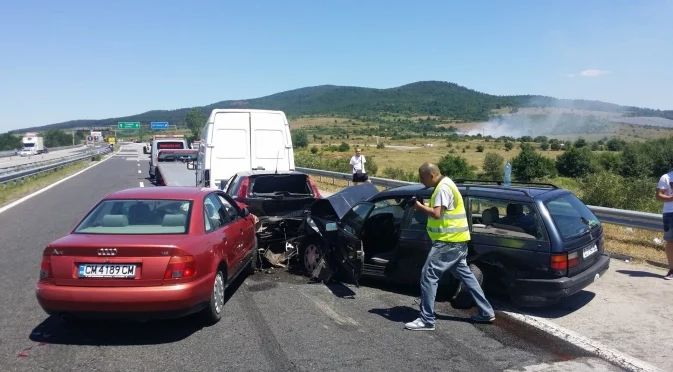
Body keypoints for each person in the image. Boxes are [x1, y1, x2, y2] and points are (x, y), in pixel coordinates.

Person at [404, 162, 495, 331]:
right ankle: (486, 312)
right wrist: (425, 205)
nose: (421, 181)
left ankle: (427, 319)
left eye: (422, 178)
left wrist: (419, 207)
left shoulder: (442, 188)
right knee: (467, 277)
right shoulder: (447, 184)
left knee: (428, 276)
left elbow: (437, 214)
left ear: (431, 175)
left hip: (447, 242)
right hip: (458, 241)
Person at [655, 170, 673, 279]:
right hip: (670, 213)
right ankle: (672, 269)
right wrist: (671, 198)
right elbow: (658, 196)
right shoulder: (666, 177)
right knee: (671, 242)